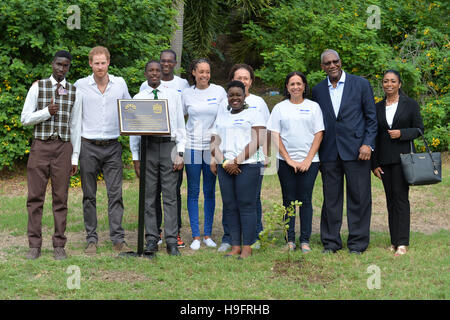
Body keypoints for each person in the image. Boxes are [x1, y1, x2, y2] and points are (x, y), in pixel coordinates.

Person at [312, 49, 377, 254]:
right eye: (327, 63)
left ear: (341, 62)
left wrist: (368, 144)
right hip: (329, 152)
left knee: (359, 198)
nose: (332, 65)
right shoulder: (318, 90)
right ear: (322, 67)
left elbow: (371, 118)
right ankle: (331, 242)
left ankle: (357, 243)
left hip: (358, 151)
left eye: (335, 61)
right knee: (331, 199)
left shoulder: (361, 84)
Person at [21, 50, 82, 260]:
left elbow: (76, 126)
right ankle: (34, 245)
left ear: (69, 67)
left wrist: (75, 157)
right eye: (58, 64)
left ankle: (59, 245)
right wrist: (46, 111)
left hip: (63, 148)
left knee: (60, 198)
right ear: (52, 64)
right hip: (40, 146)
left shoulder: (74, 91)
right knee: (35, 198)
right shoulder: (38, 86)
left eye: (65, 66)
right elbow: (25, 118)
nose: (61, 69)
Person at [74, 46, 132, 255]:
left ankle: (118, 238)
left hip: (112, 147)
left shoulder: (120, 84)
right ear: (90, 64)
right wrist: (40, 84)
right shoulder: (80, 85)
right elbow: (62, 95)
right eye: (96, 63)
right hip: (88, 146)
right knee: (89, 195)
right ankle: (92, 239)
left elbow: (130, 109)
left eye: (103, 62)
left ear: (109, 63)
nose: (100, 66)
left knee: (115, 194)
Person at [130, 60, 186, 257]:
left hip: (169, 145)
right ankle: (152, 238)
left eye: (157, 70)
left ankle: (172, 241)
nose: (154, 73)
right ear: (145, 74)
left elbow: (180, 125)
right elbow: (134, 131)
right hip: (148, 147)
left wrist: (180, 152)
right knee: (149, 195)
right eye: (150, 71)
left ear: (163, 73)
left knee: (170, 195)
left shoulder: (173, 96)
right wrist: (136, 158)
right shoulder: (138, 97)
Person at [267, 71, 324, 253]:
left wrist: (308, 159)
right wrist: (289, 159)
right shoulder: (279, 108)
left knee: (305, 200)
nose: (296, 87)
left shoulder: (314, 107)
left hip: (310, 162)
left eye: (299, 83)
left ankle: (305, 240)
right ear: (287, 87)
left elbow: (319, 133)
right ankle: (290, 240)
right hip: (285, 163)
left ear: (304, 86)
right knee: (288, 200)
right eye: (292, 84)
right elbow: (275, 134)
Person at [210, 80, 266, 259]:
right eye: (231, 95)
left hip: (248, 165)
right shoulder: (222, 116)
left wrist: (238, 161)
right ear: (227, 97)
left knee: (247, 205)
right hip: (225, 166)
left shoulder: (254, 113)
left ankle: (247, 246)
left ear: (244, 96)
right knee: (230, 206)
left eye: (238, 95)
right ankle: (235, 246)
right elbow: (213, 143)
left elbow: (257, 140)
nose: (235, 98)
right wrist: (225, 162)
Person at [371, 70, 424, 256]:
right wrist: (374, 164)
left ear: (399, 84)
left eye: (393, 81)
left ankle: (402, 243)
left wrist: (402, 133)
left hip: (404, 159)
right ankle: (393, 241)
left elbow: (419, 129)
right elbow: (374, 136)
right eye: (385, 81)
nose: (389, 84)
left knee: (401, 199)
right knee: (390, 200)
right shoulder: (377, 107)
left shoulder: (410, 105)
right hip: (384, 160)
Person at [182, 58, 227, 250]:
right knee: (193, 192)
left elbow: (223, 120)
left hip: (211, 148)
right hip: (191, 147)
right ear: (193, 72)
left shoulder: (219, 92)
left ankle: (208, 234)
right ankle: (196, 236)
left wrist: (215, 150)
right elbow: (179, 119)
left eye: (207, 72)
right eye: (201, 72)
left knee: (209, 192)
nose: (204, 75)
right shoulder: (186, 94)